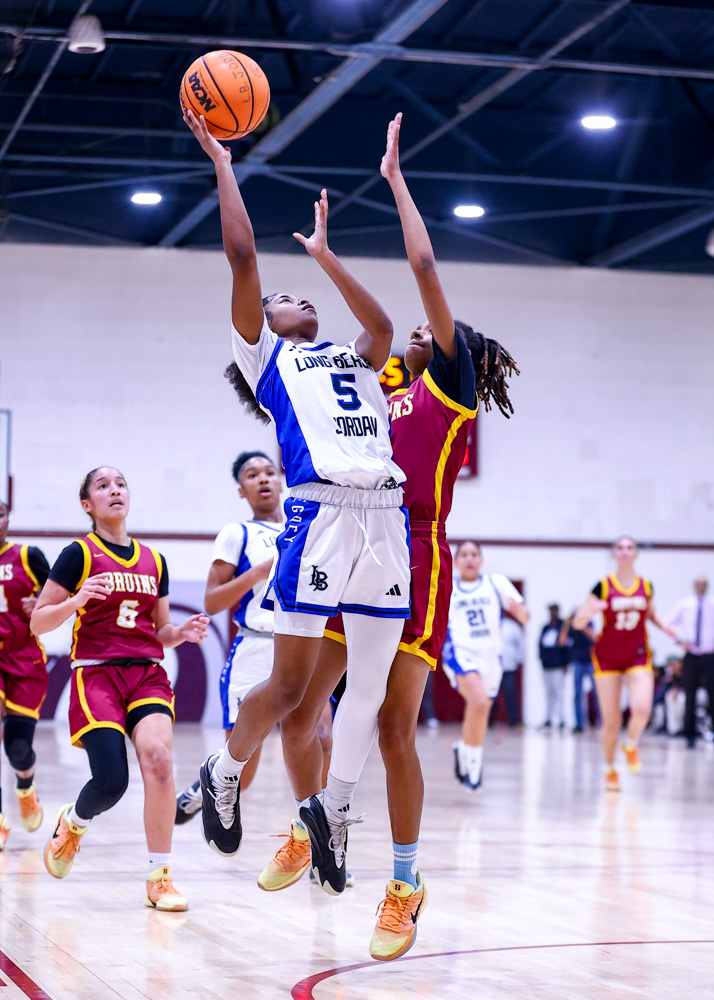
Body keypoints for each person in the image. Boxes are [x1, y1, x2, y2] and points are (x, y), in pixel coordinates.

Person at [253, 111, 520, 962]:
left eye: (435, 331)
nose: (419, 329)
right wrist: (325, 259)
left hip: (417, 554)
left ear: (456, 353)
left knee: (396, 727)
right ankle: (316, 822)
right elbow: (348, 349)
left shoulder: (447, 389)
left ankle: (404, 884)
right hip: (345, 538)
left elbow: (424, 269)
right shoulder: (380, 383)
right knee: (300, 704)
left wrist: (397, 181)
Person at [183, 110, 412, 899]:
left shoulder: (352, 356)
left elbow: (383, 324)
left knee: (367, 690)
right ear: (265, 323)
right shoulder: (267, 359)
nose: (296, 299)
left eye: (300, 294)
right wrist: (224, 163)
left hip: (385, 519)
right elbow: (243, 255)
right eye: (284, 297)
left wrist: (326, 255)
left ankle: (332, 811)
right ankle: (224, 768)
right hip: (318, 518)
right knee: (287, 693)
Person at [31, 467, 208, 911]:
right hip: (97, 675)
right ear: (87, 505)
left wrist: (180, 632)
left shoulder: (154, 560)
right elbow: (38, 621)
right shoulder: (78, 554)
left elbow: (160, 630)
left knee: (160, 760)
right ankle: (73, 821)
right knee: (111, 782)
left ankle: (160, 877)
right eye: (103, 486)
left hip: (147, 673)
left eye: (121, 484)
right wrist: (76, 601)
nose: (115, 490)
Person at [175, 451, 282, 822]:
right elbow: (212, 601)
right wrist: (256, 574)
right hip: (255, 646)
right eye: (252, 475)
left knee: (322, 739)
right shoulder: (238, 533)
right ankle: (203, 786)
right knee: (242, 772)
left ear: (281, 480)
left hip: (303, 646)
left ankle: (316, 838)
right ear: (241, 490)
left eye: (269, 472)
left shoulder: (303, 530)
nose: (263, 479)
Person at [573, 536, 676, 791]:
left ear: (636, 553)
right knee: (612, 721)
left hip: (637, 654)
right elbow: (578, 622)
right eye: (620, 547)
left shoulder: (646, 586)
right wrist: (591, 611)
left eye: (630, 547)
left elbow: (651, 615)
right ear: (614, 554)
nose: (625, 551)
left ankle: (630, 744)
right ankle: (610, 768)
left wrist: (666, 628)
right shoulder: (602, 586)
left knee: (642, 708)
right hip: (607, 656)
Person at [443, 543, 529, 790]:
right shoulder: (448, 588)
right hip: (460, 652)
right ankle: (474, 766)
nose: (469, 559)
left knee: (480, 708)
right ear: (456, 561)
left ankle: (465, 750)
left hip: (491, 657)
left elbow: (525, 615)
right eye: (464, 555)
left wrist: (520, 612)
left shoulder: (496, 582)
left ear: (481, 559)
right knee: (479, 702)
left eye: (474, 554)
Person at [0, 499, 50, 848]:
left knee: (18, 750)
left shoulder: (28, 556)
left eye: (0, 513)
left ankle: (25, 785)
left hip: (22, 657)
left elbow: (60, 594)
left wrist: (42, 602)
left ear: (8, 518)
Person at [666, 577, 714, 747]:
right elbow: (667, 623)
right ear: (694, 586)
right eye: (698, 584)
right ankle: (689, 733)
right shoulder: (685, 605)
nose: (700, 587)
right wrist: (679, 640)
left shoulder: (712, 604)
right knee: (690, 693)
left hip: (710, 655)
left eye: (703, 585)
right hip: (691, 655)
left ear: (707, 586)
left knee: (712, 693)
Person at [558, 611, 599, 733]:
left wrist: (583, 625)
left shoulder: (588, 623)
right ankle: (579, 723)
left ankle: (601, 720)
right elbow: (562, 642)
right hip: (577, 662)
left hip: (590, 661)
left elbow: (594, 637)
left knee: (597, 693)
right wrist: (566, 624)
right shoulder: (571, 627)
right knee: (577, 694)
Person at [538, 604, 568, 729]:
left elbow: (566, 647)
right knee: (549, 693)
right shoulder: (545, 628)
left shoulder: (562, 627)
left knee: (559, 692)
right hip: (547, 666)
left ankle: (561, 718)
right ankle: (548, 718)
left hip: (558, 666)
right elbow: (540, 646)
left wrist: (565, 663)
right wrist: (542, 662)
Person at [496, 615, 525, 727]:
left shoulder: (512, 626)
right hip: (493, 668)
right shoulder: (489, 624)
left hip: (509, 667)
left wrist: (519, 660)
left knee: (510, 694)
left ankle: (513, 720)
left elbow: (520, 644)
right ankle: (489, 721)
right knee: (490, 695)